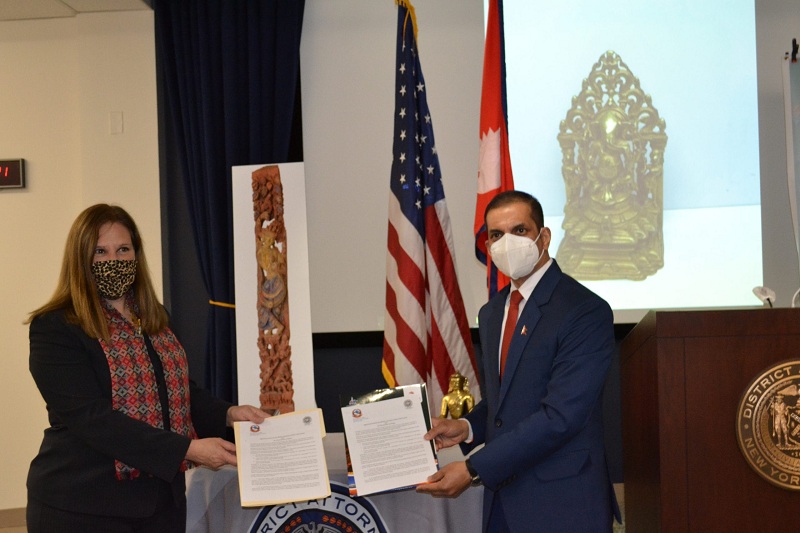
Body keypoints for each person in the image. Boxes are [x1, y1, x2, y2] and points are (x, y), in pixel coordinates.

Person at [25, 204, 271, 533]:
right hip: (82, 505)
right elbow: (92, 419)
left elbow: (179, 392)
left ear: (136, 255)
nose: (113, 260)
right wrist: (188, 449)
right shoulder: (55, 327)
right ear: (80, 258)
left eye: (123, 250)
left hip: (161, 503)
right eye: (100, 251)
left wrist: (229, 414)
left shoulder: (155, 317)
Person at [417, 191, 620, 532]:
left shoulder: (584, 310)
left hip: (564, 504)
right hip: (503, 503)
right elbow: (505, 400)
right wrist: (467, 426)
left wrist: (473, 469)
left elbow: (561, 416)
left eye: (519, 230)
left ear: (544, 237)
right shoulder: (492, 312)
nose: (507, 243)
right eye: (496, 234)